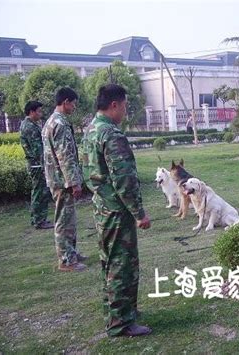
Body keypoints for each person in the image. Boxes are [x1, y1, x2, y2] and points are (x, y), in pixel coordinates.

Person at [82, 84, 152, 337]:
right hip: (117, 212)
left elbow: (89, 174)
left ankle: (120, 312)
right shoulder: (111, 134)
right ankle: (121, 323)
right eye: (124, 105)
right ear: (114, 105)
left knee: (110, 263)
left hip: (102, 208)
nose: (125, 110)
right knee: (122, 265)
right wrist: (139, 213)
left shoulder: (90, 130)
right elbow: (124, 180)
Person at [42, 87, 87, 272]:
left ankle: (71, 252)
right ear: (66, 101)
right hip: (62, 181)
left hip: (57, 179)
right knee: (63, 220)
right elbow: (65, 156)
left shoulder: (51, 121)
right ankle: (66, 260)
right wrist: (74, 182)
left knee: (68, 218)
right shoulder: (59, 124)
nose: (74, 107)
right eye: (73, 103)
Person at [19, 101, 53, 229]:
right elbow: (38, 150)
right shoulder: (30, 127)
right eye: (38, 111)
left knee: (37, 192)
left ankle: (37, 219)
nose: (40, 114)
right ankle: (39, 221)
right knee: (40, 192)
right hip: (37, 165)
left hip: (35, 165)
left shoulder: (28, 125)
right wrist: (46, 167)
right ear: (31, 112)